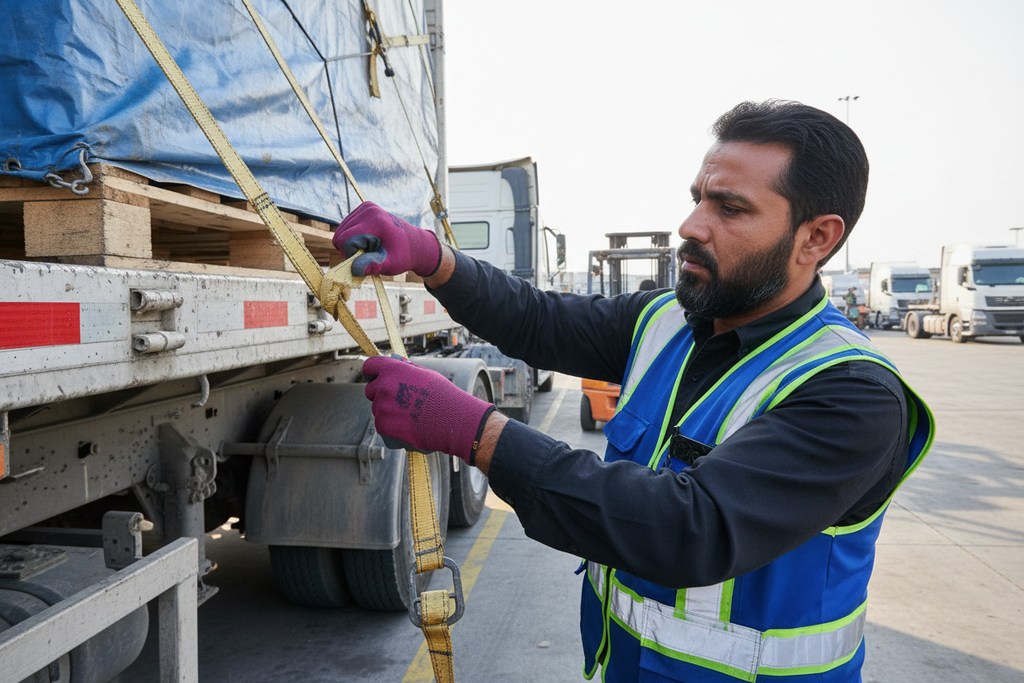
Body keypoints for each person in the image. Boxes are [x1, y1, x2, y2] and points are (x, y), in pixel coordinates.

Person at [334, 100, 934, 682]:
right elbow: (540, 320)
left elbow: (691, 529)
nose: (692, 225)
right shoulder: (667, 320)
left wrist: (476, 431)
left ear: (816, 239)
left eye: (730, 208)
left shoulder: (851, 393)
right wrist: (435, 259)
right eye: (698, 198)